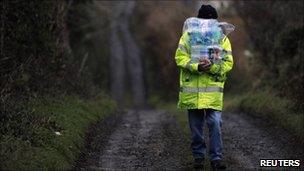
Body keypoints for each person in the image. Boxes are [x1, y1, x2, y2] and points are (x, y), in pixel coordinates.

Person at [175, 4, 233, 170]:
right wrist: (197, 66)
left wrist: (213, 67)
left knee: (215, 123)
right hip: (192, 92)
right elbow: (180, 59)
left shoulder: (222, 39)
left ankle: (216, 159)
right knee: (196, 129)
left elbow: (228, 63)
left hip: (213, 92)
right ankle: (199, 158)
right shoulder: (187, 37)